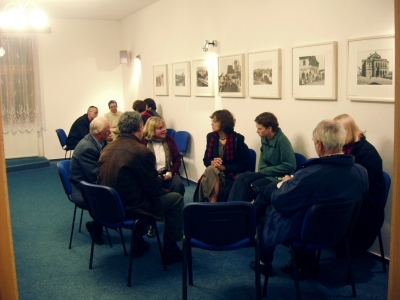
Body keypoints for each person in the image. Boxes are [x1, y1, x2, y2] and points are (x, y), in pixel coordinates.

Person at [250, 119, 369, 278]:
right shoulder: (361, 172)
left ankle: (264, 262)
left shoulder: (310, 175)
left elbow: (280, 200)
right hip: (340, 229)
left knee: (268, 209)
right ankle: (305, 263)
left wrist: (285, 185)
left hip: (308, 230)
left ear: (319, 145)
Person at [97, 111, 184, 264]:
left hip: (108, 206)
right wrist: (166, 190)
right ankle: (170, 250)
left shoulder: (107, 148)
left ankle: (138, 242)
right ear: (140, 127)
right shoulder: (142, 151)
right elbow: (154, 190)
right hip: (131, 208)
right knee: (176, 199)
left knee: (138, 192)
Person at [334, 114, 386, 259]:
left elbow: (360, 187)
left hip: (367, 208)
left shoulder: (367, 154)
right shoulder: (348, 148)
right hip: (354, 198)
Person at [227, 112, 296, 202]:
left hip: (277, 177)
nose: (257, 131)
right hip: (265, 173)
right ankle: (230, 209)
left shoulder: (282, 141)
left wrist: (265, 170)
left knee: (252, 186)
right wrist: (262, 169)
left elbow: (290, 165)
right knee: (241, 178)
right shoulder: (264, 138)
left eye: (260, 128)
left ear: (269, 128)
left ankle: (241, 213)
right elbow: (262, 160)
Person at [69, 116, 111, 245]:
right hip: (82, 188)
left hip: (91, 183)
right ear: (99, 133)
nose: (111, 132)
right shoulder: (87, 148)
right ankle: (96, 227)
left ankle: (99, 223)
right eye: (108, 130)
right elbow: (95, 176)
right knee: (112, 197)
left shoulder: (100, 141)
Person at [195, 109, 249, 203]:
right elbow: (206, 159)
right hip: (215, 173)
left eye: (215, 121)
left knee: (210, 171)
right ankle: (213, 201)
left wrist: (224, 167)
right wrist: (212, 162)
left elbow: (243, 165)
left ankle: (212, 202)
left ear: (224, 123)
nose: (212, 124)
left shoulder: (237, 139)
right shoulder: (211, 137)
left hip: (230, 174)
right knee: (212, 169)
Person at [142, 116, 185, 196]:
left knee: (178, 185)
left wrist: (171, 172)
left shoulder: (170, 140)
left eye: (164, 127)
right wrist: (152, 175)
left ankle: (176, 206)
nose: (164, 130)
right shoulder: (144, 142)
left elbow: (177, 160)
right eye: (160, 128)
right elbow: (140, 163)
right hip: (150, 175)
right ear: (151, 130)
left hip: (168, 173)